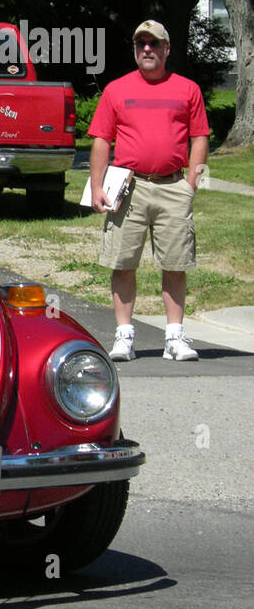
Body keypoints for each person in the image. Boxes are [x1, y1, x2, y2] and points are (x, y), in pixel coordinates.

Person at [89, 19, 210, 362]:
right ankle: (124, 338)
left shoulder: (188, 89)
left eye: (153, 43)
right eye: (140, 43)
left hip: (173, 186)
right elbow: (101, 139)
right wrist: (97, 186)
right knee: (123, 263)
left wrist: (191, 184)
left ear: (166, 49)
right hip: (129, 187)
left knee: (175, 264)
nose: (146, 49)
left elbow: (200, 137)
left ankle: (174, 338)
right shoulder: (116, 90)